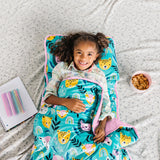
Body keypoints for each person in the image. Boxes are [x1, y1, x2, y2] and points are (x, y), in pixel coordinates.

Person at [44, 32, 114, 144]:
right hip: (64, 120)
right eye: (79, 52)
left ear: (96, 56)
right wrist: (66, 102)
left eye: (89, 54)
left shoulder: (99, 75)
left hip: (87, 123)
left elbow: (104, 102)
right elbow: (47, 98)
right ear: (73, 52)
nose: (83, 58)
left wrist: (102, 126)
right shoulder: (62, 69)